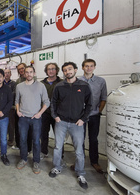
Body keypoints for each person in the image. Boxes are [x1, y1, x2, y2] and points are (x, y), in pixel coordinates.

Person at [49, 62, 92, 190]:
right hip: (61, 122)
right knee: (57, 147)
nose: (67, 72)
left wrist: (83, 119)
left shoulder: (84, 86)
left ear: (75, 70)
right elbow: (53, 102)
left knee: (79, 150)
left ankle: (80, 173)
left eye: (70, 69)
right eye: (65, 70)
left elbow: (89, 105)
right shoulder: (59, 86)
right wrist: (55, 115)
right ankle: (57, 167)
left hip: (77, 123)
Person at [15, 66, 49, 174]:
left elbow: (47, 102)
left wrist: (39, 113)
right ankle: (24, 159)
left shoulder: (41, 86)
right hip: (23, 118)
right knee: (23, 140)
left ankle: (36, 161)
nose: (29, 74)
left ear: (34, 73)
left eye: (31, 72)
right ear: (24, 74)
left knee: (36, 141)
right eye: (27, 72)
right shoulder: (19, 86)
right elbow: (16, 100)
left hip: (36, 118)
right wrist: (17, 111)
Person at [79, 59, 107, 174]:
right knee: (79, 139)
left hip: (94, 115)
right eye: (86, 66)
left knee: (93, 139)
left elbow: (104, 98)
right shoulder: (78, 81)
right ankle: (79, 161)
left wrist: (98, 111)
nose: (89, 68)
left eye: (91, 66)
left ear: (94, 67)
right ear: (82, 68)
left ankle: (94, 161)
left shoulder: (101, 81)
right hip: (80, 116)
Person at [40, 63, 62, 158]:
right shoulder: (41, 83)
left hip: (58, 113)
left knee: (59, 135)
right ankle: (44, 151)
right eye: (49, 69)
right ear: (46, 71)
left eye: (53, 69)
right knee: (43, 133)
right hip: (44, 112)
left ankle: (60, 154)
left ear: (56, 70)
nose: (51, 71)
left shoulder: (62, 83)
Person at [4, 69, 17, 148]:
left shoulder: (14, 83)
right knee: (2, 124)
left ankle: (11, 139)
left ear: (11, 74)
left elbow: (14, 93)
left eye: (8, 73)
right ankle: (2, 139)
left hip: (11, 107)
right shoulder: (1, 83)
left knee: (11, 124)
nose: (7, 74)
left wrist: (5, 95)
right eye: (5, 73)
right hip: (2, 107)